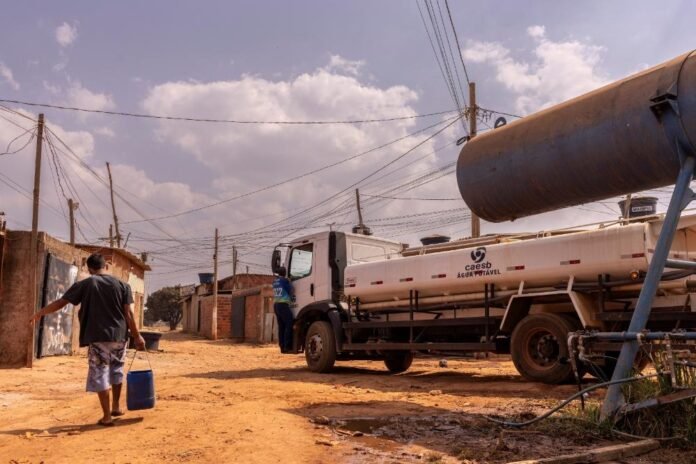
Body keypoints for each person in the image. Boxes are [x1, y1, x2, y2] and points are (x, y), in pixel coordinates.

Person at [30, 253, 146, 426]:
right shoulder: (123, 285)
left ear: (89, 269)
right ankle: (116, 407)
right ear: (106, 266)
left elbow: (61, 303)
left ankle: (106, 416)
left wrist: (40, 313)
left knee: (100, 372)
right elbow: (128, 313)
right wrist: (137, 336)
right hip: (119, 336)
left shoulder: (85, 284)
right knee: (116, 370)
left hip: (97, 336)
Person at [272, 268, 294, 353]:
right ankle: (287, 346)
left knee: (281, 326)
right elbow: (290, 290)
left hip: (276, 305)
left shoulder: (275, 281)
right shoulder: (284, 281)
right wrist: (289, 282)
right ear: (285, 273)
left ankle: (282, 347)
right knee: (289, 323)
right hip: (283, 305)